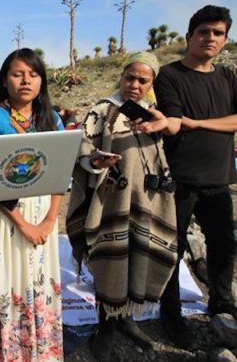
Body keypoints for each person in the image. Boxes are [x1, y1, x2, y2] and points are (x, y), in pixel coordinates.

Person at [154, 5, 237, 349]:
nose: (210, 38)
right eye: (204, 32)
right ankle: (170, 314)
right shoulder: (169, 75)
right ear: (189, 36)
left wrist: (199, 123)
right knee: (173, 248)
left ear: (225, 39)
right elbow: (172, 119)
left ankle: (222, 303)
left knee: (223, 245)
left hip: (218, 178)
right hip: (179, 179)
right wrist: (181, 122)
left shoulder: (228, 77)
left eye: (218, 33)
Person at [66, 52, 177, 360]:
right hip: (112, 201)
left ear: (151, 83)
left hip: (145, 201)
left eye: (143, 80)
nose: (135, 85)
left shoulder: (152, 113)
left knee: (137, 258)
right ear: (122, 76)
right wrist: (95, 161)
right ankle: (106, 326)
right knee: (111, 264)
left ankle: (126, 318)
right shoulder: (104, 109)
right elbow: (82, 149)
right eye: (130, 78)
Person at [0, 48, 64, 361]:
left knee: (39, 285)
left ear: (42, 81)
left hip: (44, 214)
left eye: (33, 75)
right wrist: (25, 224)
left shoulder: (52, 118)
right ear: (5, 80)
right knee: (4, 287)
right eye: (17, 74)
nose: (25, 81)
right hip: (6, 218)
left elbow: (61, 173)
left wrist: (48, 221)